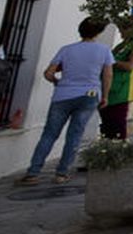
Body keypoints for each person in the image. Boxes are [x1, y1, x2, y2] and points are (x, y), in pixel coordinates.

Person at [19, 17, 113, 184]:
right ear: (98, 33)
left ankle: (33, 173)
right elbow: (107, 74)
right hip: (89, 95)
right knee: (74, 135)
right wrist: (105, 95)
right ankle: (61, 173)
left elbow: (48, 73)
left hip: (62, 95)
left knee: (49, 134)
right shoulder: (104, 51)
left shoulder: (66, 50)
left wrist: (57, 82)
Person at [99, 37, 133, 140]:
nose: (122, 31)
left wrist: (111, 62)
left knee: (117, 123)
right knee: (106, 123)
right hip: (108, 87)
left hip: (121, 90)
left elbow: (131, 66)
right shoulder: (122, 45)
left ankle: (117, 150)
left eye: (125, 27)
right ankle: (106, 147)